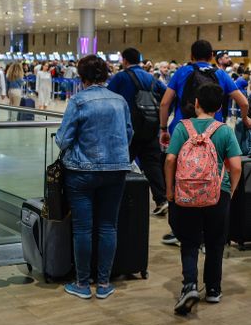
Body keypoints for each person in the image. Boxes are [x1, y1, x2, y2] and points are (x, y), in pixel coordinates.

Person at [157, 40, 250, 246]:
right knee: (211, 179)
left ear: (192, 54)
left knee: (182, 179)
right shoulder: (221, 74)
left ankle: (182, 232)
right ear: (211, 56)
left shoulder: (181, 73)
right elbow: (243, 102)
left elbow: (165, 102)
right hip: (214, 133)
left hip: (183, 132)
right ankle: (208, 234)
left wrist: (164, 128)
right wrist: (244, 119)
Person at [54, 55, 132, 300]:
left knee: (83, 228)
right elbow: (128, 132)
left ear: (82, 77)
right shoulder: (119, 101)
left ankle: (82, 283)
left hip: (81, 172)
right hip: (116, 170)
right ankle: (104, 283)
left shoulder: (78, 101)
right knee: (108, 226)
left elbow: (63, 139)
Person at [164, 83, 243, 315]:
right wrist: (231, 190)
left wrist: (170, 190)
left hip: (186, 194)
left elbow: (170, 160)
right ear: (219, 107)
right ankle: (213, 290)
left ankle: (189, 285)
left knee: (189, 242)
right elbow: (236, 167)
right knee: (215, 242)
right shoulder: (225, 130)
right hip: (217, 194)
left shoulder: (181, 128)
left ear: (196, 103)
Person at [107, 47, 169, 215]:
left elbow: (107, 98)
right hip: (150, 128)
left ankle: (117, 199)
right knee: (152, 165)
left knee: (121, 164)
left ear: (125, 61)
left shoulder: (121, 77)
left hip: (128, 129)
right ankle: (161, 199)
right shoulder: (152, 79)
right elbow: (167, 98)